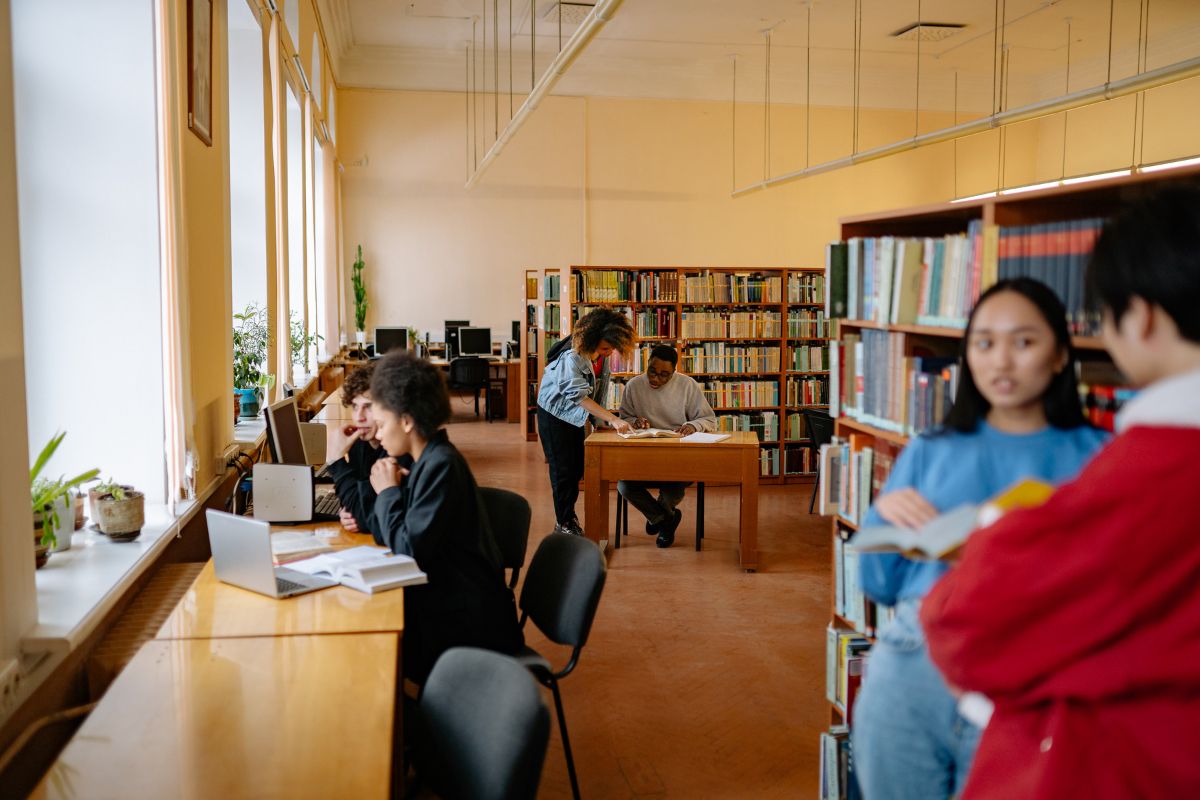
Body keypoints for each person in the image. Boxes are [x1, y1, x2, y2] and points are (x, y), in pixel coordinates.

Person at [920, 187, 1200, 799]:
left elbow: (970, 626)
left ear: (1141, 316)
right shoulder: (935, 446)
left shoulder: (1140, 472)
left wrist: (997, 534)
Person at [850, 278, 1109, 800]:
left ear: (1060, 356)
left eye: (1024, 341)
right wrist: (882, 518)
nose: (1002, 362)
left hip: (1030, 681)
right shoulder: (930, 447)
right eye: (985, 343)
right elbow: (878, 585)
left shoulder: (1100, 457)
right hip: (912, 667)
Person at [368, 351, 522, 684]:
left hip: (467, 621)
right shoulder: (425, 462)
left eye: (381, 424)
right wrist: (393, 493)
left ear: (407, 421)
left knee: (371, 655)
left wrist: (388, 494)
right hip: (450, 601)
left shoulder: (441, 466)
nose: (377, 435)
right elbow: (390, 536)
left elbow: (408, 553)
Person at [536, 308, 635, 536]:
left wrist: (599, 420)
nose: (609, 353)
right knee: (563, 471)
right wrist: (611, 419)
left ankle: (568, 516)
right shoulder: (571, 358)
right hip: (554, 415)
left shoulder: (600, 354)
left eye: (611, 348)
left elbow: (599, 389)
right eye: (605, 348)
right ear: (591, 339)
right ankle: (563, 522)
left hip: (576, 415)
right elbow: (578, 396)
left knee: (577, 467)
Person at [616, 344, 717, 547]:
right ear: (647, 363)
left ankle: (657, 518)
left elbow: (709, 419)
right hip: (644, 455)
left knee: (673, 490)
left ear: (674, 372)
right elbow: (624, 416)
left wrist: (692, 425)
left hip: (679, 456)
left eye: (664, 375)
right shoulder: (634, 385)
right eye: (652, 371)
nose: (656, 379)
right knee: (624, 486)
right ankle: (666, 520)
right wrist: (634, 421)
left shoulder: (687, 385)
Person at [323, 363, 412, 540]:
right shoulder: (358, 444)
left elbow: (376, 518)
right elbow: (359, 501)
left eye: (368, 407)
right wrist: (347, 511)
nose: (359, 417)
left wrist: (336, 461)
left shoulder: (399, 450)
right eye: (355, 407)